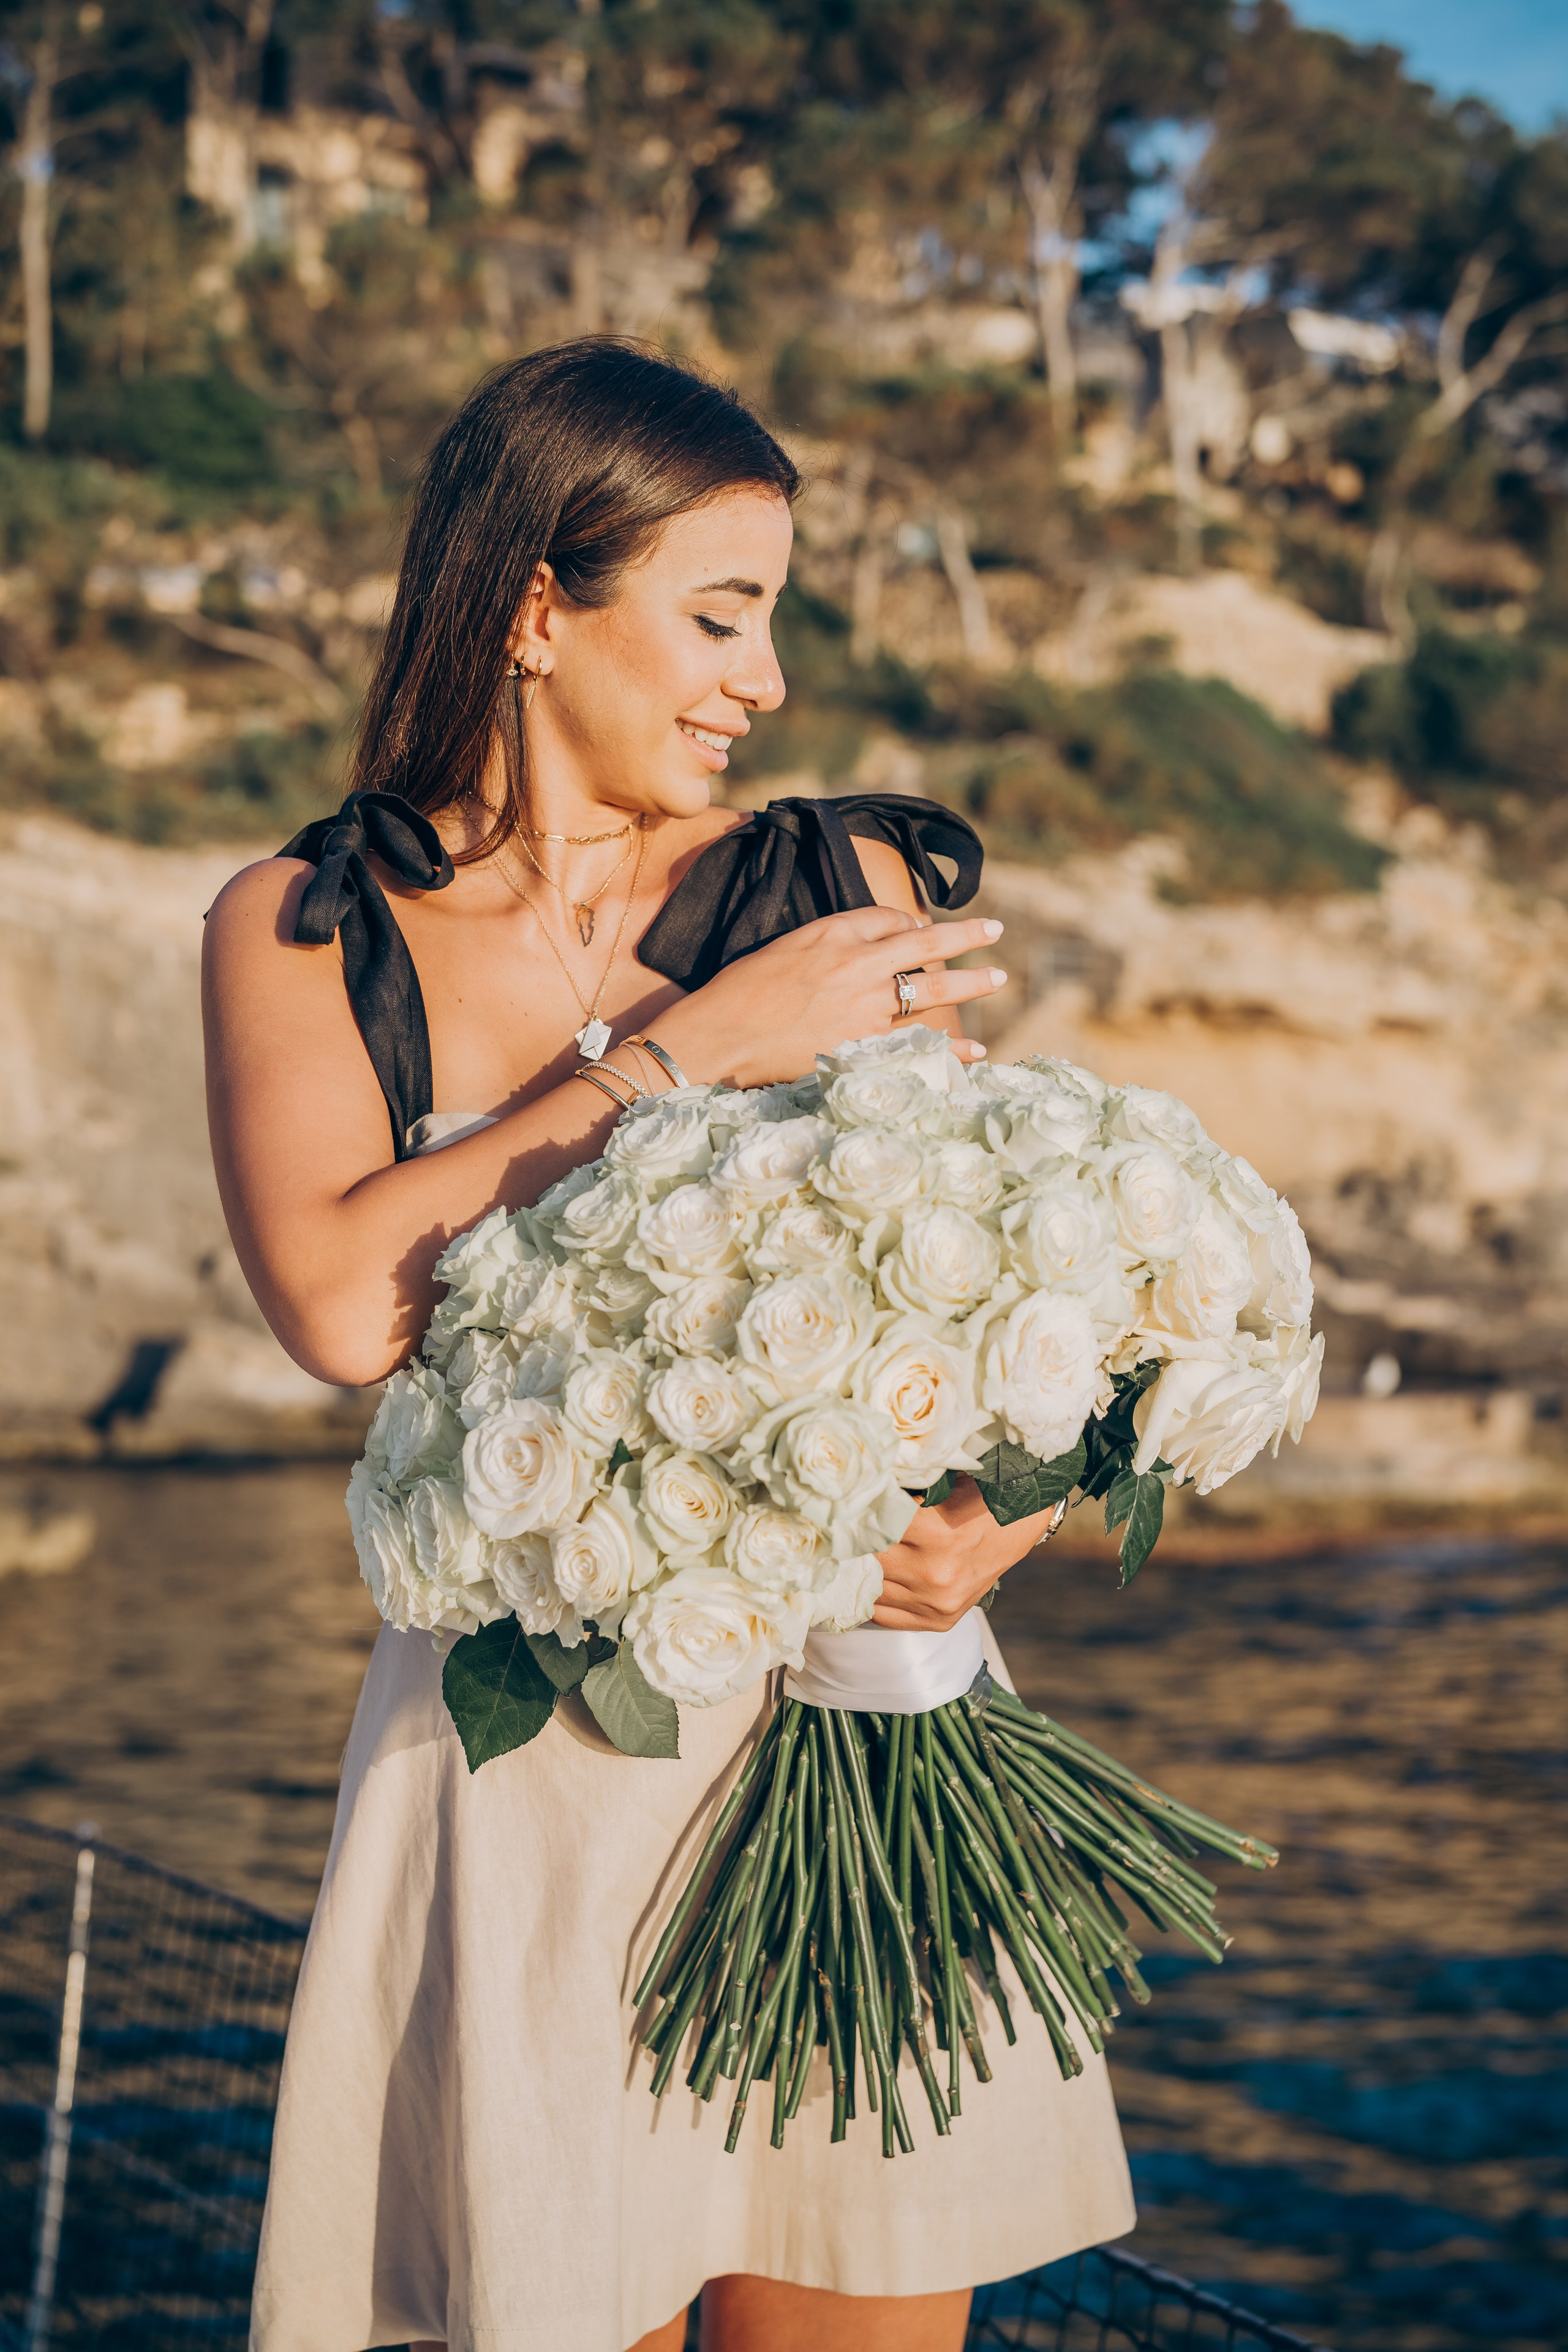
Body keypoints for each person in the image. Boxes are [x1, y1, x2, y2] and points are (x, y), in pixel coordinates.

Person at [204, 339, 1133, 2352]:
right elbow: (346, 1304)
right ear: (541, 607)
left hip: (854, 1743)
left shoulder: (831, 887)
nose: (765, 680)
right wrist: (679, 1054)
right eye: (722, 614)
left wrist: (990, 1530)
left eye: (770, 620)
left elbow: (997, 1313)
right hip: (533, 1777)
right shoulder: (310, 926)